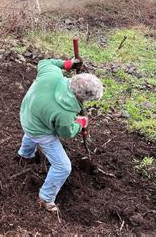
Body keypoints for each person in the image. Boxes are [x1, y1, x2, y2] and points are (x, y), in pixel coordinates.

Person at [18, 58, 104, 212]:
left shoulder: (52, 74)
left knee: (30, 132)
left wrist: (67, 64)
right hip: (39, 129)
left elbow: (45, 62)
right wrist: (80, 123)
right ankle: (46, 198)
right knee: (63, 167)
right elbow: (67, 132)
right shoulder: (65, 113)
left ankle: (25, 154)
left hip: (27, 114)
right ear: (82, 97)